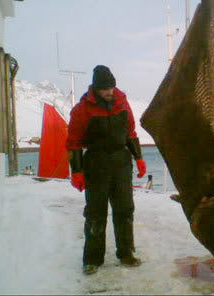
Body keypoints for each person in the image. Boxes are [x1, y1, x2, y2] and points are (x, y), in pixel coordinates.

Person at [66, 65, 147, 275]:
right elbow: (73, 142)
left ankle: (126, 253)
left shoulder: (122, 102)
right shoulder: (82, 109)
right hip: (96, 163)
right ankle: (92, 259)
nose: (109, 92)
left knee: (125, 209)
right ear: (95, 88)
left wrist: (139, 158)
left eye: (111, 88)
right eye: (105, 89)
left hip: (121, 162)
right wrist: (77, 171)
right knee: (95, 213)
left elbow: (130, 132)